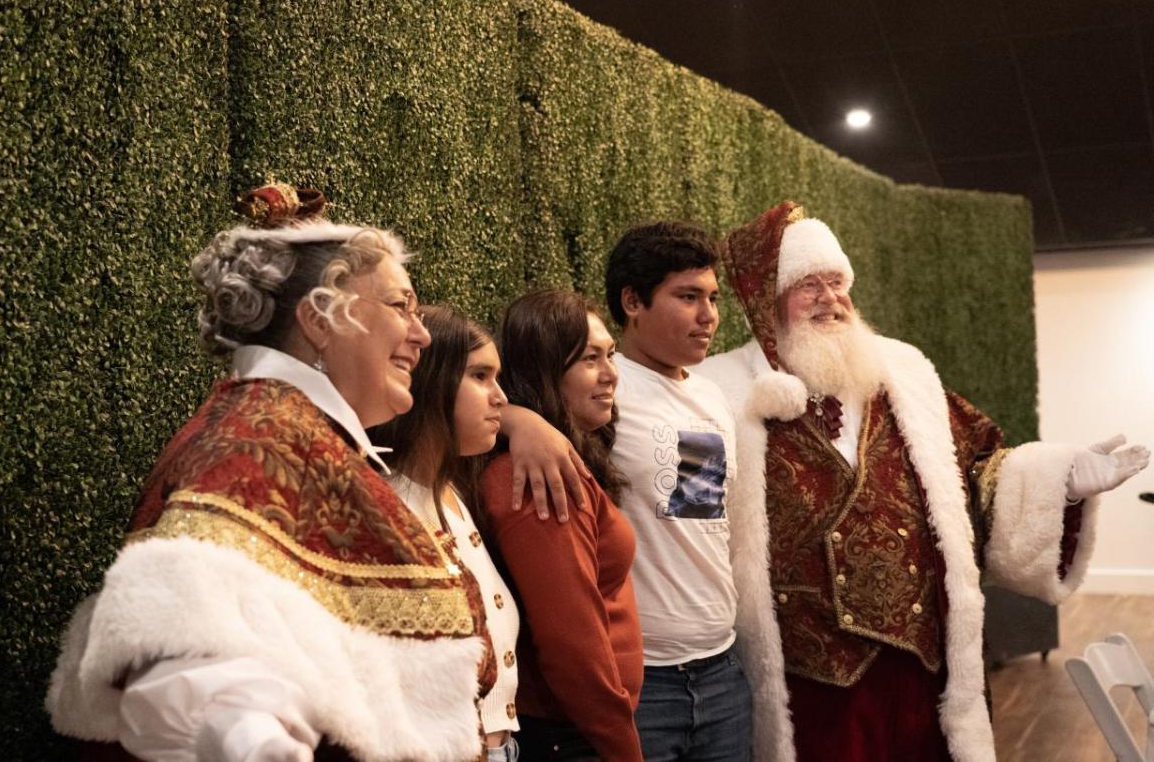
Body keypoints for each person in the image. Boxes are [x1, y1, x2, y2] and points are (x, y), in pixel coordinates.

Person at [45, 183, 491, 762]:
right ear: (320, 320)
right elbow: (181, 678)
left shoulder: (283, 428)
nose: (421, 333)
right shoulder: (259, 437)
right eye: (401, 305)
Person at [696, 201, 1151, 762]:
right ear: (767, 300)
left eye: (838, 282)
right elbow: (689, 523)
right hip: (806, 681)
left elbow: (978, 473)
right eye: (807, 284)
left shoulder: (907, 376)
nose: (830, 298)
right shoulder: (716, 391)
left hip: (918, 669)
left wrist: (1061, 479)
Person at [600, 223, 751, 762]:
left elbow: (695, 510)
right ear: (633, 301)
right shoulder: (601, 386)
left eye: (712, 298)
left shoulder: (710, 395)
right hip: (642, 682)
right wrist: (524, 424)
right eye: (688, 297)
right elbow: (498, 405)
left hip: (722, 672)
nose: (708, 315)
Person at [478, 289, 644, 762]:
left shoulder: (561, 454)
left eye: (610, 354)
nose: (611, 373)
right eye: (590, 358)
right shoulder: (532, 474)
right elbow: (571, 645)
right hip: (570, 735)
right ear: (547, 369)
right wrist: (623, 748)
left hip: (582, 730)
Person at [367, 305, 522, 762]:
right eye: (480, 376)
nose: (500, 397)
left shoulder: (451, 489)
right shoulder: (390, 506)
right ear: (431, 380)